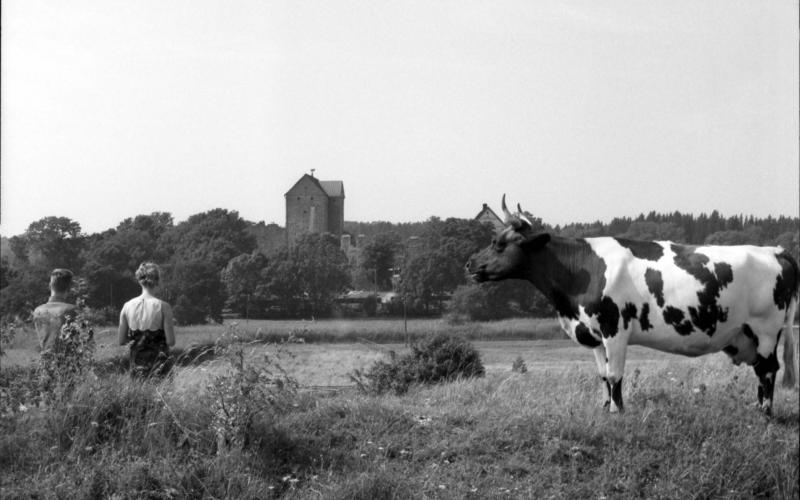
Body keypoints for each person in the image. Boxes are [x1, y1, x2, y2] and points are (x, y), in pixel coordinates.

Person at [118, 262, 175, 377]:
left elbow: (121, 341)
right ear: (157, 281)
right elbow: (171, 341)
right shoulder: (164, 307)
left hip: (137, 368)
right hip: (160, 368)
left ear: (139, 280)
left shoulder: (127, 306)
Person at [33, 269, 78, 353]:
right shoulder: (72, 310)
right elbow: (78, 343)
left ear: (50, 285)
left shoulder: (37, 310)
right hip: (67, 362)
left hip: (45, 362)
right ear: (69, 287)